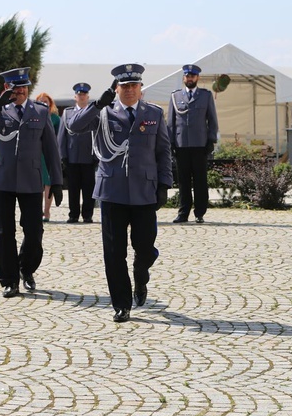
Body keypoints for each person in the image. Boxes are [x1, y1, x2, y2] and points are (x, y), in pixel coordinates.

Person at [68, 63, 173, 323]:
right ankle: (122, 304)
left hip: (144, 191)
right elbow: (74, 127)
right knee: (114, 252)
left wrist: (164, 185)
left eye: (133, 86)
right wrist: (95, 105)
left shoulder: (154, 114)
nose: (129, 90)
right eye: (124, 86)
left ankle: (141, 274)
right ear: (116, 88)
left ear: (140, 88)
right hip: (113, 190)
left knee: (145, 248)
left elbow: (163, 152)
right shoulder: (103, 112)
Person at [0, 67, 63, 299]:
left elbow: (51, 149)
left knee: (34, 232)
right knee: (4, 232)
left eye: (23, 87)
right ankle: (9, 280)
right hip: (2, 179)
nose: (20, 91)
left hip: (31, 180)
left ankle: (25, 268)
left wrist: (58, 181)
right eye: (15, 87)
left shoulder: (39, 111)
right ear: (6, 88)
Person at [168, 64, 218, 224]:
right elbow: (171, 123)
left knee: (200, 180)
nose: (189, 78)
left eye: (192, 76)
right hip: (181, 144)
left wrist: (211, 140)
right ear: (184, 78)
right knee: (183, 181)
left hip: (199, 144)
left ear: (197, 78)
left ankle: (200, 212)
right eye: (187, 76)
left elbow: (212, 120)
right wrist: (170, 143)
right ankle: (183, 212)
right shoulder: (175, 97)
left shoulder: (206, 96)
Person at [58, 82, 96, 223]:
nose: (82, 96)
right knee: (73, 189)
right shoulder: (67, 113)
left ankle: (87, 215)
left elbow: (97, 134)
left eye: (84, 94)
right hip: (72, 156)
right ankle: (73, 214)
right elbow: (62, 136)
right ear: (75, 96)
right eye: (79, 94)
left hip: (89, 156)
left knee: (89, 189)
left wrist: (97, 155)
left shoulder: (93, 112)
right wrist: (63, 156)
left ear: (88, 96)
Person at [35, 93, 61, 222]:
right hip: (36, 153)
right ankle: (37, 210)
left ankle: (47, 210)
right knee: (37, 182)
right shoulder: (34, 116)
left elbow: (58, 138)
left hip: (48, 153)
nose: (43, 103)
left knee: (48, 183)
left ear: (50, 103)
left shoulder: (55, 118)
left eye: (45, 101)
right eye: (40, 101)